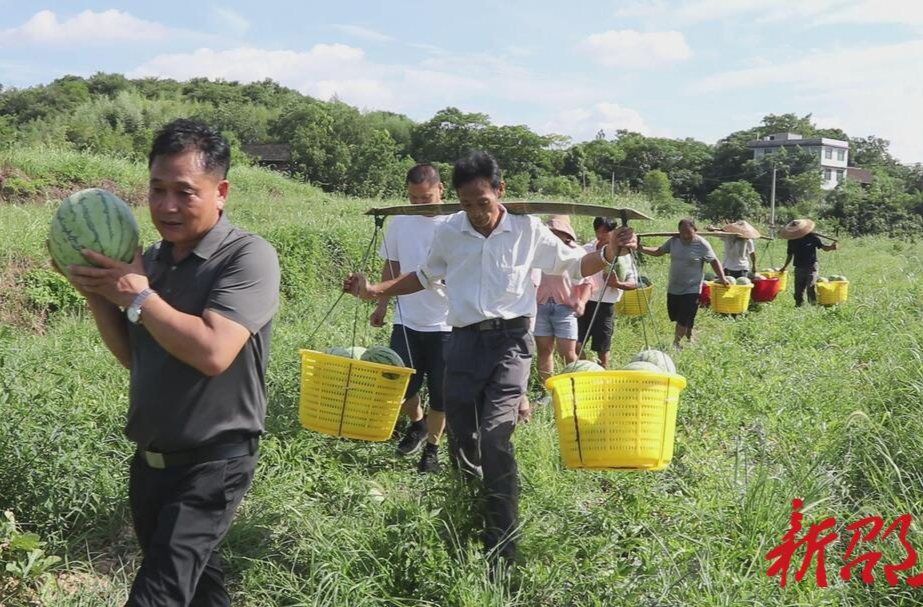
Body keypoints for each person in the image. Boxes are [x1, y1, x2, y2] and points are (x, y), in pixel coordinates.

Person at [343, 151, 636, 568]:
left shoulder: (526, 230)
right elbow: (425, 276)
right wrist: (375, 291)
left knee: (496, 435)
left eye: (483, 202)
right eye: (467, 204)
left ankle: (503, 542)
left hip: (510, 343)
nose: (477, 213)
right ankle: (470, 509)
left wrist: (609, 250)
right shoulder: (450, 232)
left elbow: (575, 264)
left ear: (500, 192)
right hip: (461, 342)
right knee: (464, 435)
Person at [61, 119, 280, 606]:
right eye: (157, 190)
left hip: (214, 462)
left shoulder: (247, 257)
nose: (166, 206)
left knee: (156, 597)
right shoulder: (154, 259)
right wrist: (98, 294)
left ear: (220, 191)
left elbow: (212, 351)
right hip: (152, 461)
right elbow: (135, 357)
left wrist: (139, 296)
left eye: (184, 192)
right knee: (199, 590)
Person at [370, 163, 450, 473]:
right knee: (401, 384)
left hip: (447, 322)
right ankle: (417, 424)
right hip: (407, 319)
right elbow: (391, 267)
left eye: (425, 198)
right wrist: (381, 304)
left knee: (442, 394)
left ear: (441, 190)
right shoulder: (401, 221)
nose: (419, 205)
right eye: (413, 199)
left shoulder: (457, 223)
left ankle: (432, 449)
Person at [639, 218, 729, 349]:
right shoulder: (674, 241)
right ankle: (689, 334)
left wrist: (722, 278)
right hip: (674, 287)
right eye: (682, 232)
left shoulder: (702, 244)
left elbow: (714, 261)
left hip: (692, 288)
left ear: (695, 230)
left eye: (689, 232)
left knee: (684, 316)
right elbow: (659, 251)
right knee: (678, 315)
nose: (685, 235)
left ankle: (676, 343)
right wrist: (641, 248)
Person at [533, 216, 592, 404]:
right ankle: (547, 393)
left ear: (566, 235)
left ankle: (572, 392)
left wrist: (581, 302)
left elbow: (588, 283)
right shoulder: (537, 251)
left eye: (557, 233)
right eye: (551, 232)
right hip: (540, 306)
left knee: (568, 352)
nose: (553, 236)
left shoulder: (576, 252)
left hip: (564, 308)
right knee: (544, 350)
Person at [577, 217, 638, 368]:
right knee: (576, 343)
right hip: (584, 302)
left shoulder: (623, 255)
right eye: (598, 231)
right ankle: (584, 370)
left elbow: (634, 282)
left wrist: (617, 284)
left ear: (613, 232)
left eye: (606, 232)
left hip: (605, 305)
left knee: (602, 348)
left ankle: (603, 375)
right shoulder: (586, 249)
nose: (601, 235)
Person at [778, 218, 837, 307]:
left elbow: (823, 247)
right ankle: (799, 305)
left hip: (811, 266)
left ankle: (813, 305)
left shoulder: (812, 237)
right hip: (798, 267)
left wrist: (832, 247)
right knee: (798, 291)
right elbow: (790, 255)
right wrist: (784, 266)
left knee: (810, 287)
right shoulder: (792, 241)